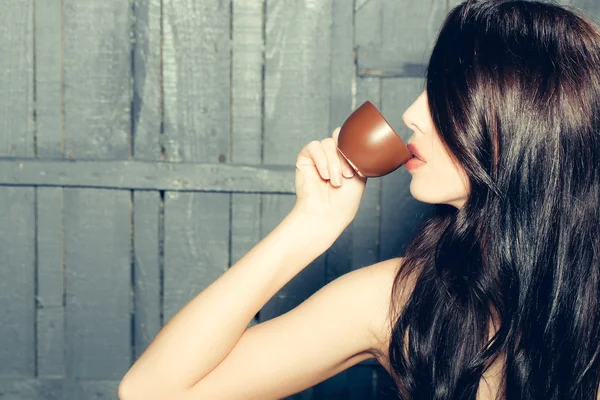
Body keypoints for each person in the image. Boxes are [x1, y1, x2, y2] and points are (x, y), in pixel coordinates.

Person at [117, 0, 600, 398]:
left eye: (446, 96)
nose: (411, 113)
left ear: (526, 127)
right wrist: (309, 226)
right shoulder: (401, 301)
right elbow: (148, 392)